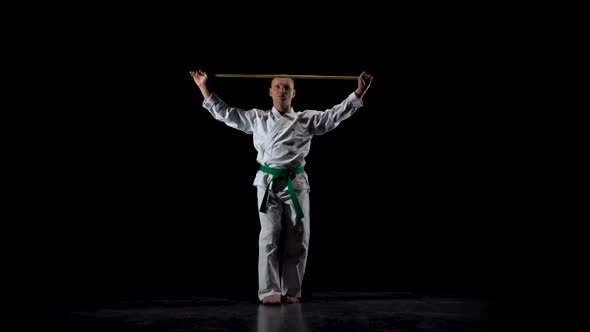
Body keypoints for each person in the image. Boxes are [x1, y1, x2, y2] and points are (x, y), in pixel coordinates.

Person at [189, 69, 373, 304]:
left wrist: (359, 92)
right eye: (278, 86)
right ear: (270, 91)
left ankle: (291, 291)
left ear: (294, 93)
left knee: (299, 238)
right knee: (268, 238)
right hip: (267, 184)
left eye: (287, 87)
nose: (282, 90)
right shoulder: (257, 119)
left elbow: (334, 115)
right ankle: (268, 292)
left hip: (295, 183)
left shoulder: (306, 119)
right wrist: (203, 86)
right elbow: (226, 113)